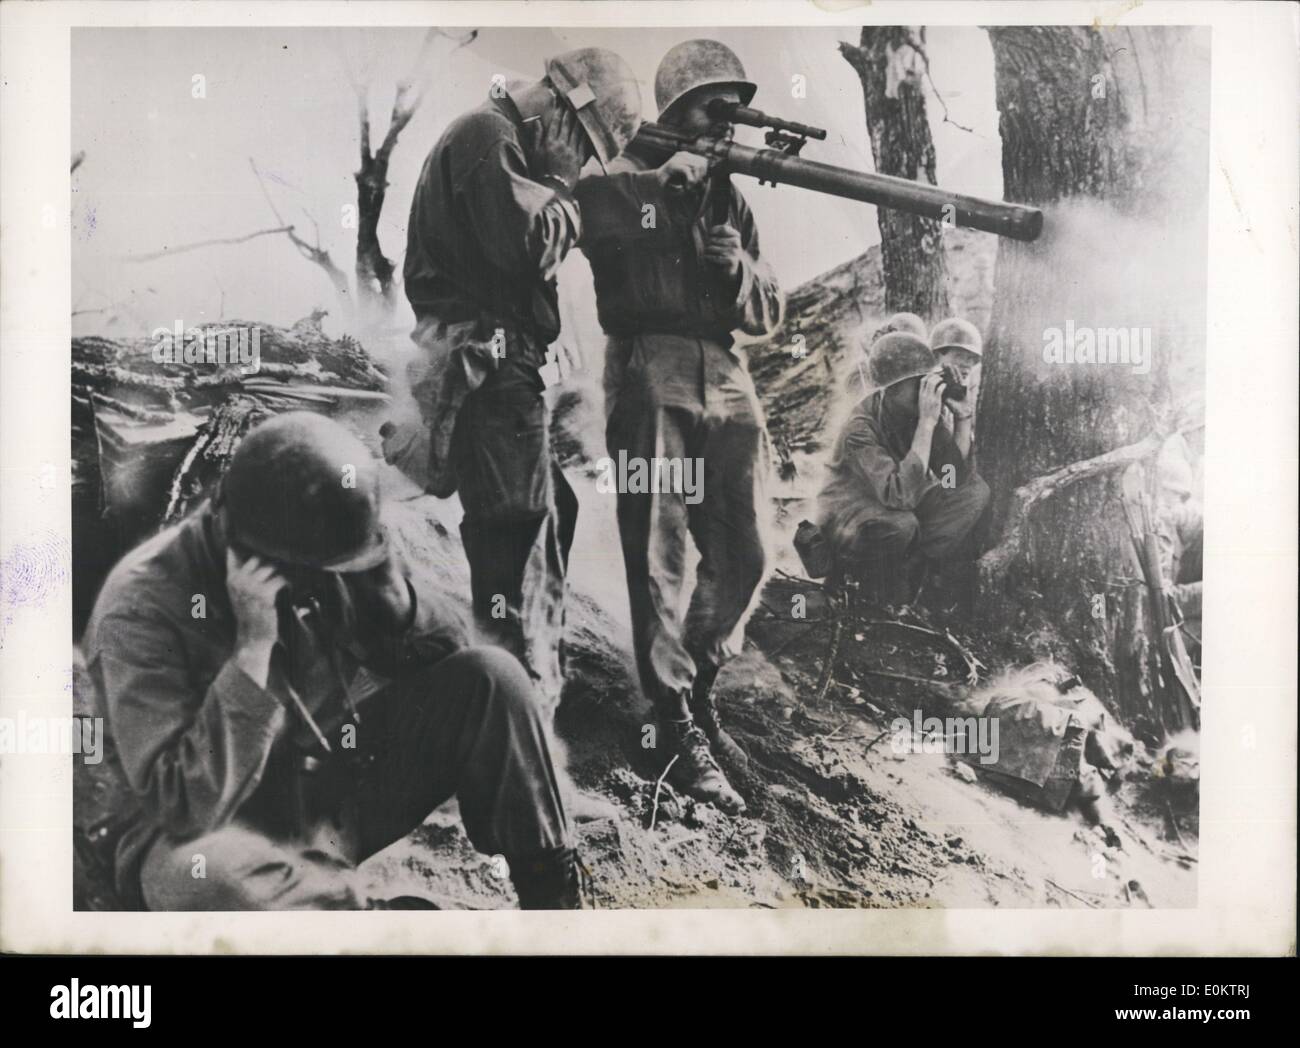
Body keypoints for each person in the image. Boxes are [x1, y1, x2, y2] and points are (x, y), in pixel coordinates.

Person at [84, 413, 584, 910]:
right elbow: (182, 805)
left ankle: (554, 903)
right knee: (216, 881)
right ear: (255, 551)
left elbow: (449, 663)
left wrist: (395, 597)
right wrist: (252, 651)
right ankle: (378, 923)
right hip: (201, 835)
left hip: (318, 792)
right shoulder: (142, 606)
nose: (329, 580)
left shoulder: (320, 547)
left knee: (491, 678)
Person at [397, 48, 642, 714]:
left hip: (502, 365)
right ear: (564, 109)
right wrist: (562, 181)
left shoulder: (498, 141)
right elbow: (526, 246)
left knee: (545, 513)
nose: (579, 159)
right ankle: (504, 689)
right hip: (491, 365)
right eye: (582, 143)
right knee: (517, 524)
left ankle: (508, 679)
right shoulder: (489, 135)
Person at [574, 39, 784, 814]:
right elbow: (592, 228)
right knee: (657, 546)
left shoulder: (732, 201)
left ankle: (697, 687)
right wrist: (661, 186)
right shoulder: (622, 175)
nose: (726, 125)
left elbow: (769, 312)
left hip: (725, 372)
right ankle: (667, 719)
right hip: (649, 364)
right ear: (675, 114)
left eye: (735, 109)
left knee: (745, 549)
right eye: (713, 108)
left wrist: (740, 274)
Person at [816, 332, 988, 607]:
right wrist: (927, 425)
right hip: (848, 518)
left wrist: (963, 417)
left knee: (973, 493)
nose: (925, 390)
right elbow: (899, 497)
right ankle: (854, 575)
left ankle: (910, 566)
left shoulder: (913, 414)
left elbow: (953, 478)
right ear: (891, 388)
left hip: (892, 510)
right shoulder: (859, 428)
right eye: (918, 383)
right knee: (901, 524)